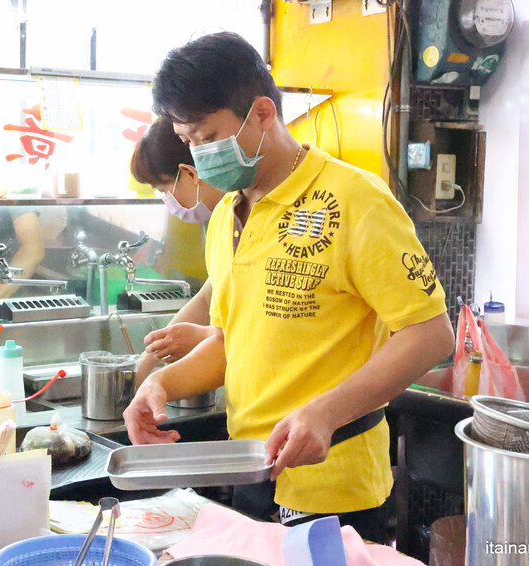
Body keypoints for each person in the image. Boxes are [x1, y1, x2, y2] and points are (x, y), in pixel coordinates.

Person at [122, 32, 454, 539]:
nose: (199, 153)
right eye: (189, 140)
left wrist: (325, 413)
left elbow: (430, 336)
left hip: (335, 487)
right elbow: (238, 345)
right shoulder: (226, 216)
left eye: (208, 136)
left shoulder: (353, 199)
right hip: (252, 472)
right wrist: (162, 384)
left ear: (261, 113)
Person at [129, 118, 223, 383]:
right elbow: (207, 297)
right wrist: (147, 362)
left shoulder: (254, 216)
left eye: (163, 190)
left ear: (190, 174)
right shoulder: (223, 219)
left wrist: (204, 336)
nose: (167, 200)